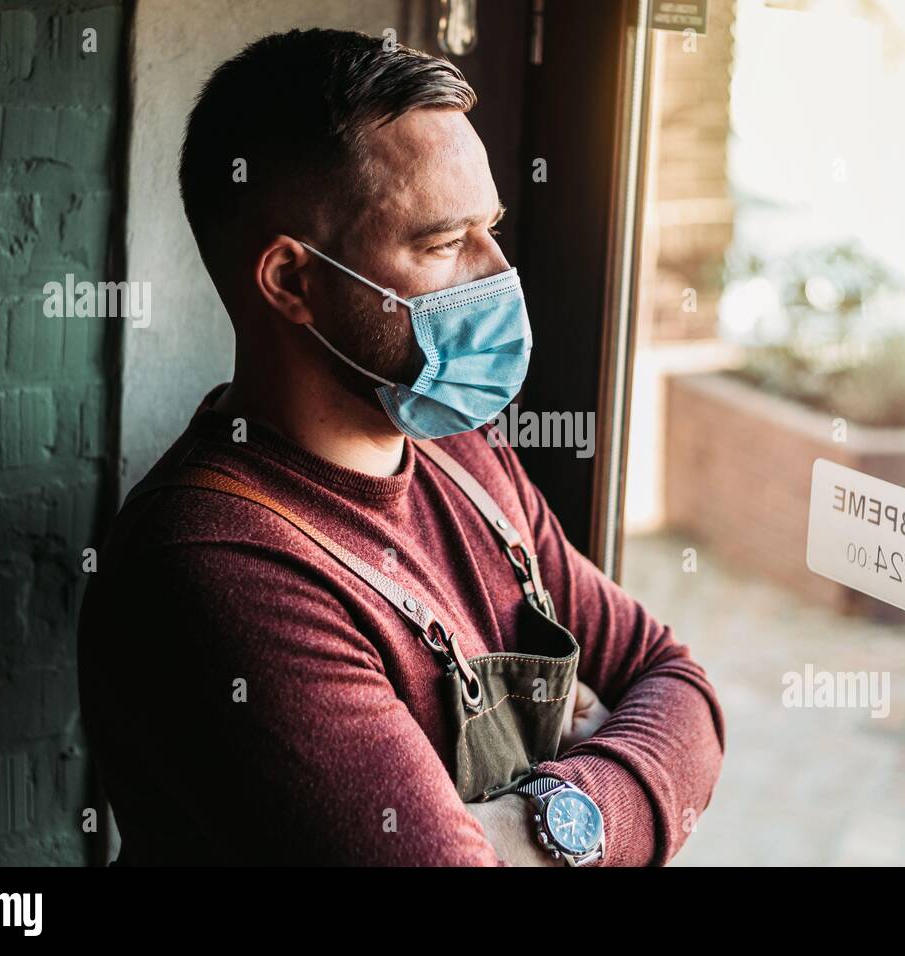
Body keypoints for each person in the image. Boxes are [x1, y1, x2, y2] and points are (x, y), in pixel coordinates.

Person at [77, 27, 724, 866]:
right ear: (292, 282)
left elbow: (679, 684)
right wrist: (613, 759)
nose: (496, 273)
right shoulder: (217, 564)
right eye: (444, 244)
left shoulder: (469, 460)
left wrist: (545, 817)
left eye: (491, 229)